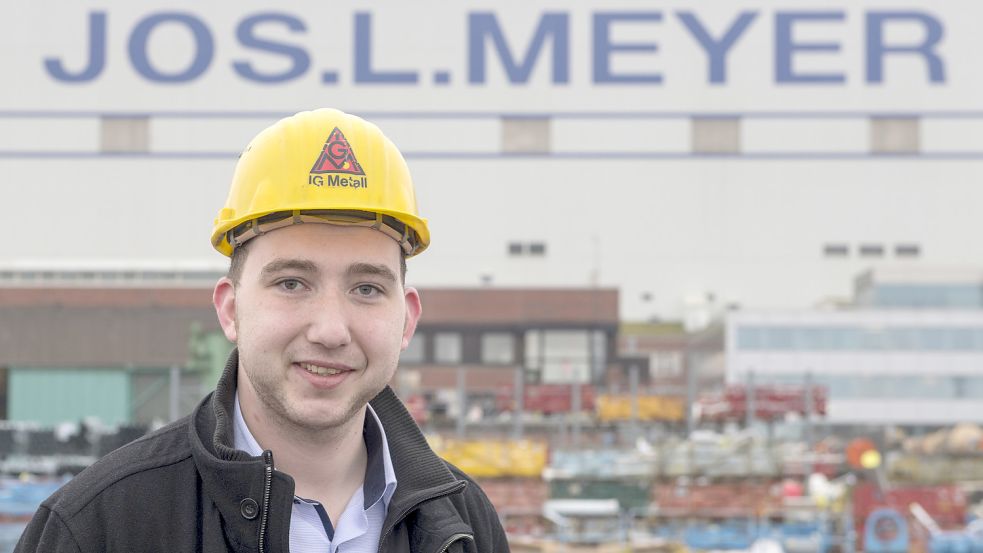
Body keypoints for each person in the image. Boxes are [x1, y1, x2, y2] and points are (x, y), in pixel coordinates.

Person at [16, 108, 510, 552]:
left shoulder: (465, 526)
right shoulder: (99, 527)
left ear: (407, 319)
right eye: (292, 283)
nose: (331, 330)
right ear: (230, 310)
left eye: (366, 289)